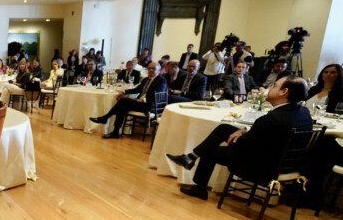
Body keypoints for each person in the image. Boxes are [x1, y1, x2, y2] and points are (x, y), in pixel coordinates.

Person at [166, 76, 312, 200]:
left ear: (284, 92)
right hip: (284, 164)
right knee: (225, 128)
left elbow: (247, 146)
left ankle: (197, 180)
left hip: (258, 166)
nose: (270, 88)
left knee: (211, 150)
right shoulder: (303, 113)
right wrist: (244, 130)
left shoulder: (272, 118)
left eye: (275, 86)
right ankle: (191, 157)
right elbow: (267, 136)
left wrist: (240, 136)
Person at [89, 61, 166, 138]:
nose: (151, 70)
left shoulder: (161, 80)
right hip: (140, 103)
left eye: (153, 68)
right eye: (149, 68)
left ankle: (105, 118)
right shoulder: (146, 79)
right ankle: (115, 132)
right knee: (122, 108)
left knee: (123, 100)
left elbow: (158, 94)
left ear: (159, 70)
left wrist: (144, 100)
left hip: (149, 105)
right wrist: (124, 91)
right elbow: (137, 89)